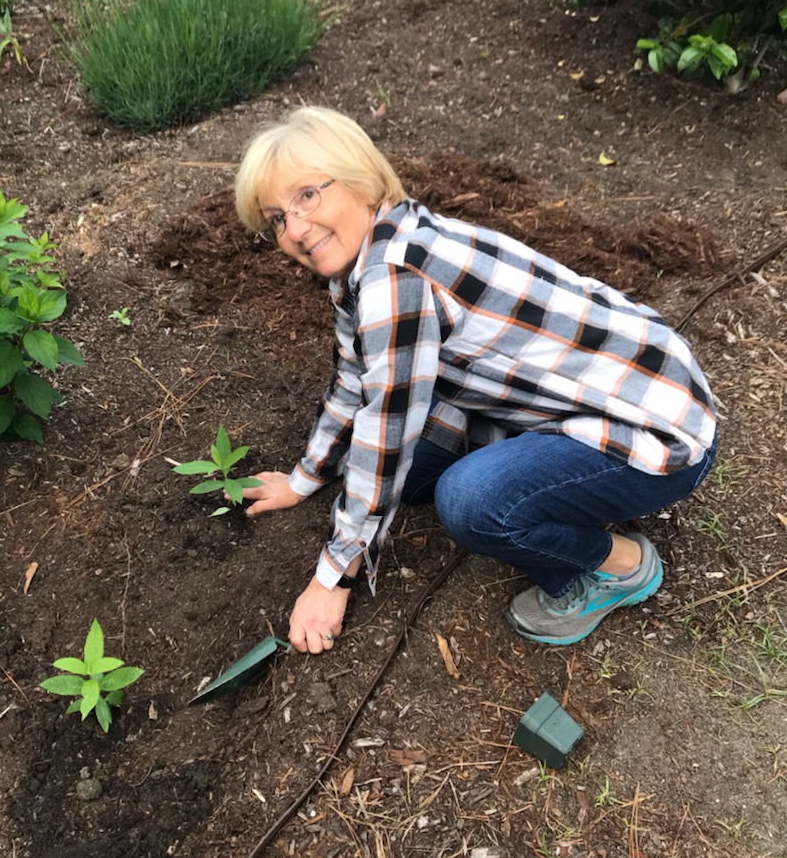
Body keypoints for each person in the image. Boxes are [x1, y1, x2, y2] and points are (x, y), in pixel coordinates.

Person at [234, 107, 717, 656]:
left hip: (658, 429)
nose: (294, 228)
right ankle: (563, 487)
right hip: (598, 397)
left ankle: (619, 567)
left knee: (470, 501)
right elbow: (356, 379)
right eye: (276, 218)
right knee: (406, 477)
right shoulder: (375, 250)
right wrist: (303, 479)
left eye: (307, 196)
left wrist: (331, 580)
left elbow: (385, 431)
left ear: (360, 179)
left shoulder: (395, 281)